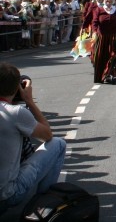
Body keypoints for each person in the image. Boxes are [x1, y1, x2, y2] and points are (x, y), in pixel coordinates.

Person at [0, 64, 66, 212]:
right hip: (7, 196)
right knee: (58, 144)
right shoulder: (16, 113)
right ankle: (42, 206)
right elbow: (47, 136)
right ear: (17, 88)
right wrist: (29, 101)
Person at [91, 0, 116, 84]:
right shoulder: (99, 10)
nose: (108, 0)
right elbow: (94, 22)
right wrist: (94, 32)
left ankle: (113, 75)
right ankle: (105, 75)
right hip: (102, 38)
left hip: (114, 37)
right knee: (102, 57)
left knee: (114, 56)